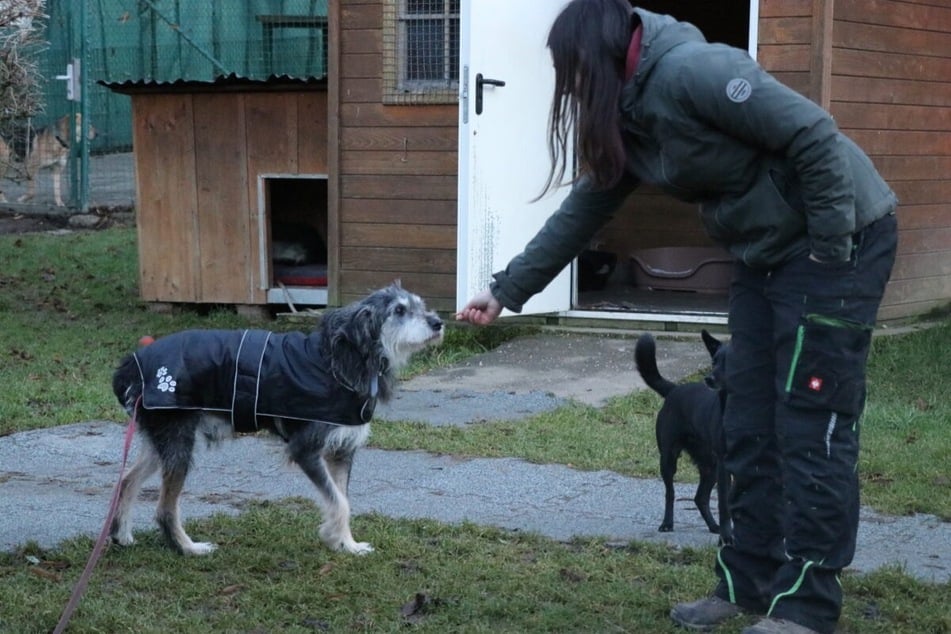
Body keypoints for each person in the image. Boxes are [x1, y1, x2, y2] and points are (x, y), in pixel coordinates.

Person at [455, 2, 898, 633]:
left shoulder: (697, 72)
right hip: (762, 254)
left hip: (837, 242)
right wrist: (507, 290)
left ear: (603, 55)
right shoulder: (631, 115)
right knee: (744, 420)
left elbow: (813, 133)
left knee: (808, 426)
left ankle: (805, 608)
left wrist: (830, 252)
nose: (572, 86)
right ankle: (746, 584)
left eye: (574, 70)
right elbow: (586, 206)